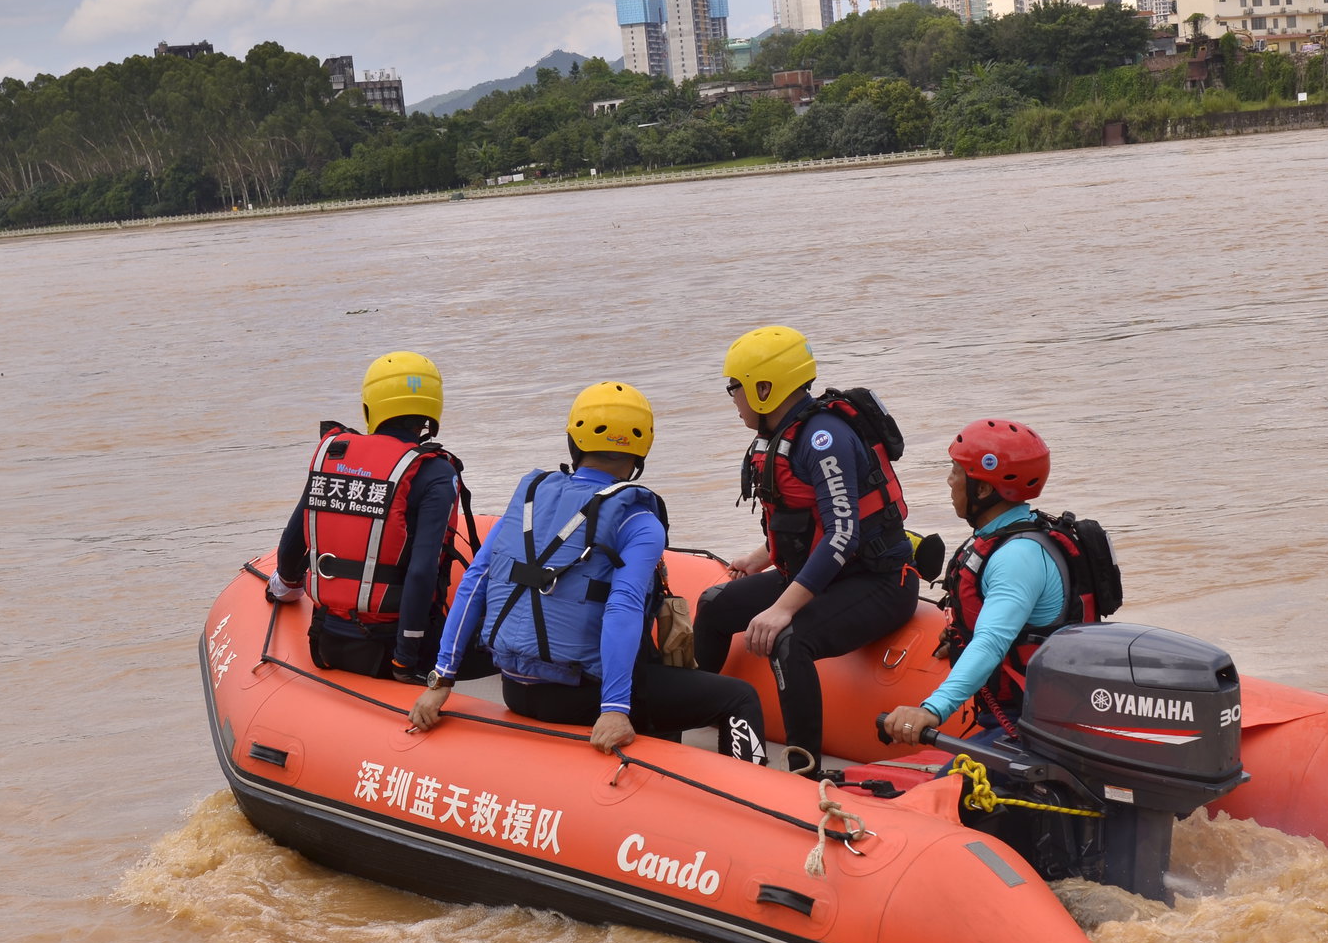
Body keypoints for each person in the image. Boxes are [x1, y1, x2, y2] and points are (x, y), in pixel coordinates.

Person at [407, 382, 765, 764]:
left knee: (656, 670)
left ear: (573, 442)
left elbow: (474, 584)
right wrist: (614, 708)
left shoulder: (528, 500)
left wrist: (441, 679)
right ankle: (754, 797)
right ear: (640, 452)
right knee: (738, 698)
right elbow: (622, 608)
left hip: (515, 688)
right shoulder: (639, 520)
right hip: (582, 697)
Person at [694, 325, 920, 775]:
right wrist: (760, 558)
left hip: (879, 581)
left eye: (734, 388)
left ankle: (805, 770)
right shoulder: (784, 431)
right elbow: (804, 518)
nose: (732, 398)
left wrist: (781, 609)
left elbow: (842, 535)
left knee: (789, 640)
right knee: (714, 605)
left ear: (764, 388)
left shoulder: (824, 438)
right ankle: (698, 711)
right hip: (825, 573)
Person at [882, 419, 1100, 745]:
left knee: (949, 792)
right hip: (1024, 712)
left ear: (982, 489)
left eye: (956, 471)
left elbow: (992, 642)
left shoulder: (1016, 557)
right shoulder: (1008, 534)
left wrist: (931, 710)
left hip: (1035, 724)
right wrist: (959, 637)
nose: (949, 480)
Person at [266, 351, 469, 682]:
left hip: (324, 643)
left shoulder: (334, 455)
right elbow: (422, 573)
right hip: (389, 651)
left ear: (370, 405)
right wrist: (405, 661)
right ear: (432, 409)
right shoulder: (435, 472)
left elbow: (292, 544)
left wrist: (284, 588)